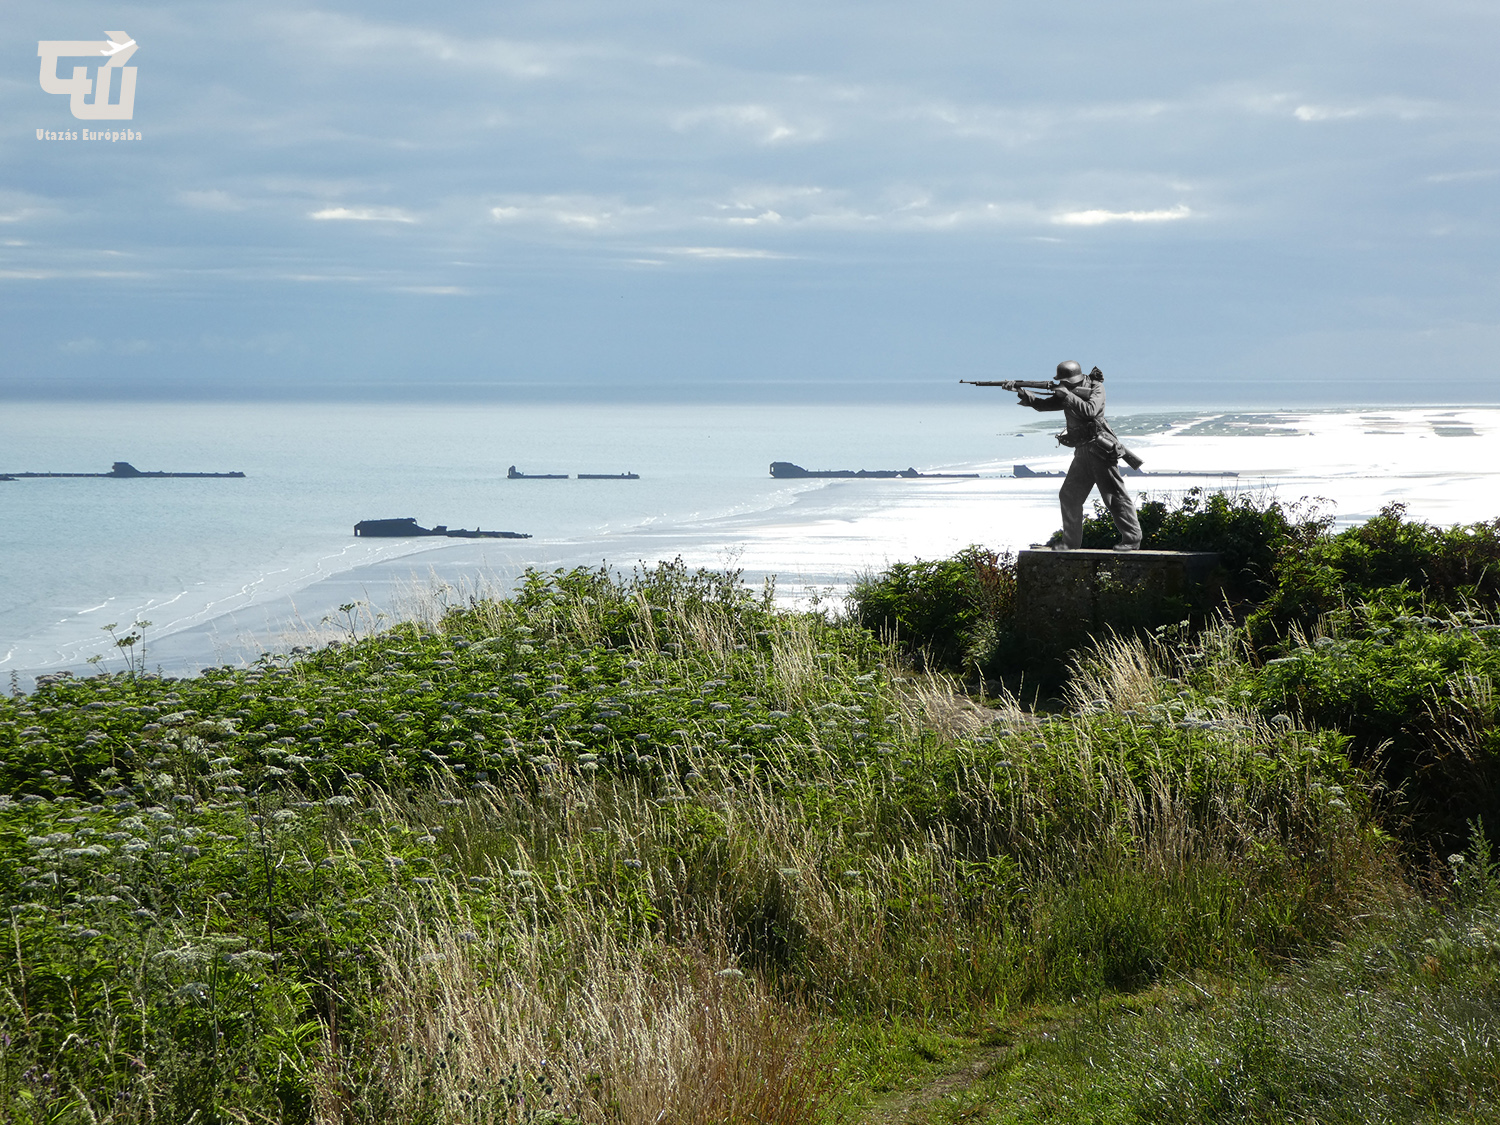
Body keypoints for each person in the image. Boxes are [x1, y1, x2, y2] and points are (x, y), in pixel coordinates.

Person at [1016, 361, 1141, 551]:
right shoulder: (1068, 392)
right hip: (1082, 450)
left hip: (1101, 448)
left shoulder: (1095, 387)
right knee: (1069, 496)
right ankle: (1070, 543)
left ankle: (1132, 540)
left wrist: (1066, 394)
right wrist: (1023, 392)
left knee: (1115, 496)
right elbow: (1043, 406)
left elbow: (1091, 411)